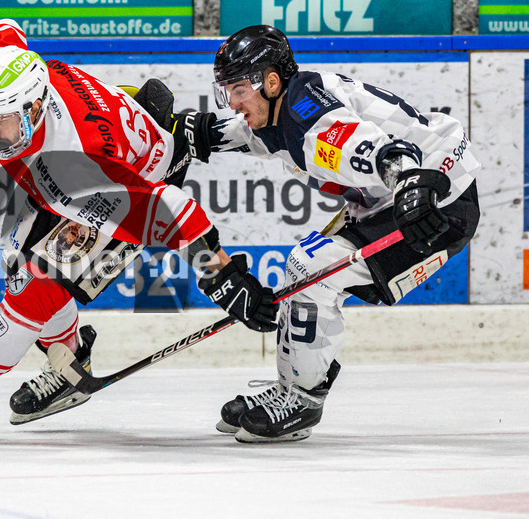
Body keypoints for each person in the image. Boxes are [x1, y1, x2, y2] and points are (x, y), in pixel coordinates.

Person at [0, 19, 278, 443]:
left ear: (36, 109)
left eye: (3, 121)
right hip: (97, 161)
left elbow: (173, 209)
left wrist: (223, 277)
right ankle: (71, 363)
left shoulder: (83, 163)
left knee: (33, 291)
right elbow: (2, 32)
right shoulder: (24, 73)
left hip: (125, 190)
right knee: (17, 264)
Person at [174, 25, 480, 442]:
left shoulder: (308, 117)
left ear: (270, 81)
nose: (232, 102)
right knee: (306, 268)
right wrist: (187, 133)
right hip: (391, 198)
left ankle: (301, 398)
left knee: (311, 265)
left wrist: (411, 182)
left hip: (438, 200)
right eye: (225, 90)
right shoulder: (283, 108)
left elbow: (383, 152)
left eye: (238, 89)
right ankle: (292, 388)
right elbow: (243, 135)